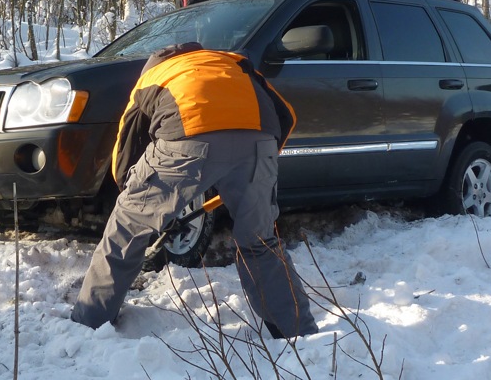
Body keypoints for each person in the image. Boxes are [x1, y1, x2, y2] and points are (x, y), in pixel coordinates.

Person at [71, 42, 318, 340]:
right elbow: (285, 115)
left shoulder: (155, 74)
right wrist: (259, 169)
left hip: (186, 137)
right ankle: (298, 335)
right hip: (259, 142)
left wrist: (132, 194)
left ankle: (89, 325)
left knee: (125, 232)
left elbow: (126, 142)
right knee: (260, 242)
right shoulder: (234, 64)